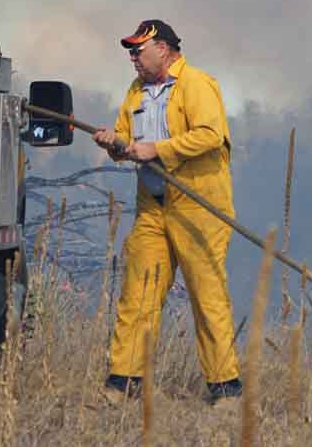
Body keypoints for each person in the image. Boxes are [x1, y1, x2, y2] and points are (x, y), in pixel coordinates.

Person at [92, 20, 243, 407]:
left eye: (138, 50)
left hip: (197, 205)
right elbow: (128, 141)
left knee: (207, 294)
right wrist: (115, 144)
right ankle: (124, 383)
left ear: (164, 49)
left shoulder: (196, 83)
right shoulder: (135, 91)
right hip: (152, 207)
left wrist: (156, 149)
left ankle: (225, 388)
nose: (132, 58)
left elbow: (211, 134)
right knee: (138, 293)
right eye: (130, 51)